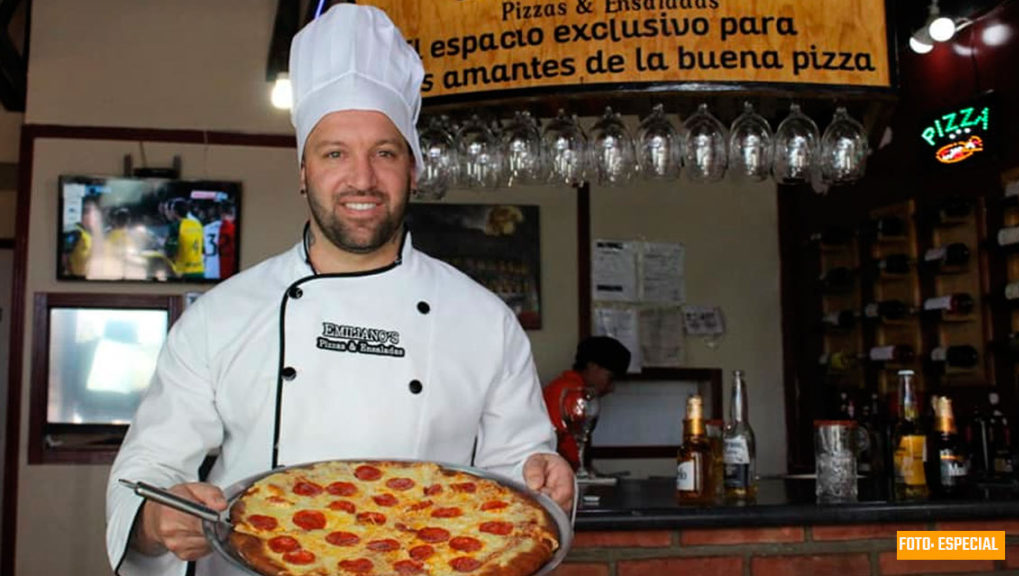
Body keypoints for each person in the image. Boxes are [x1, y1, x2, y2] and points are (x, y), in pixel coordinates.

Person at [104, 5, 573, 576]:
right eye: (334, 154)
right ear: (303, 172)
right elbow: (152, 463)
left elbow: (519, 478)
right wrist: (155, 522)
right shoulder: (222, 316)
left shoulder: (484, 320)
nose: (362, 179)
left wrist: (544, 473)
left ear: (415, 169)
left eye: (385, 152)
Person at [543, 336, 632, 470]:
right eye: (610, 378)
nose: (612, 388)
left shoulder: (561, 386)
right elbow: (566, 451)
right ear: (592, 366)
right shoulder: (571, 393)